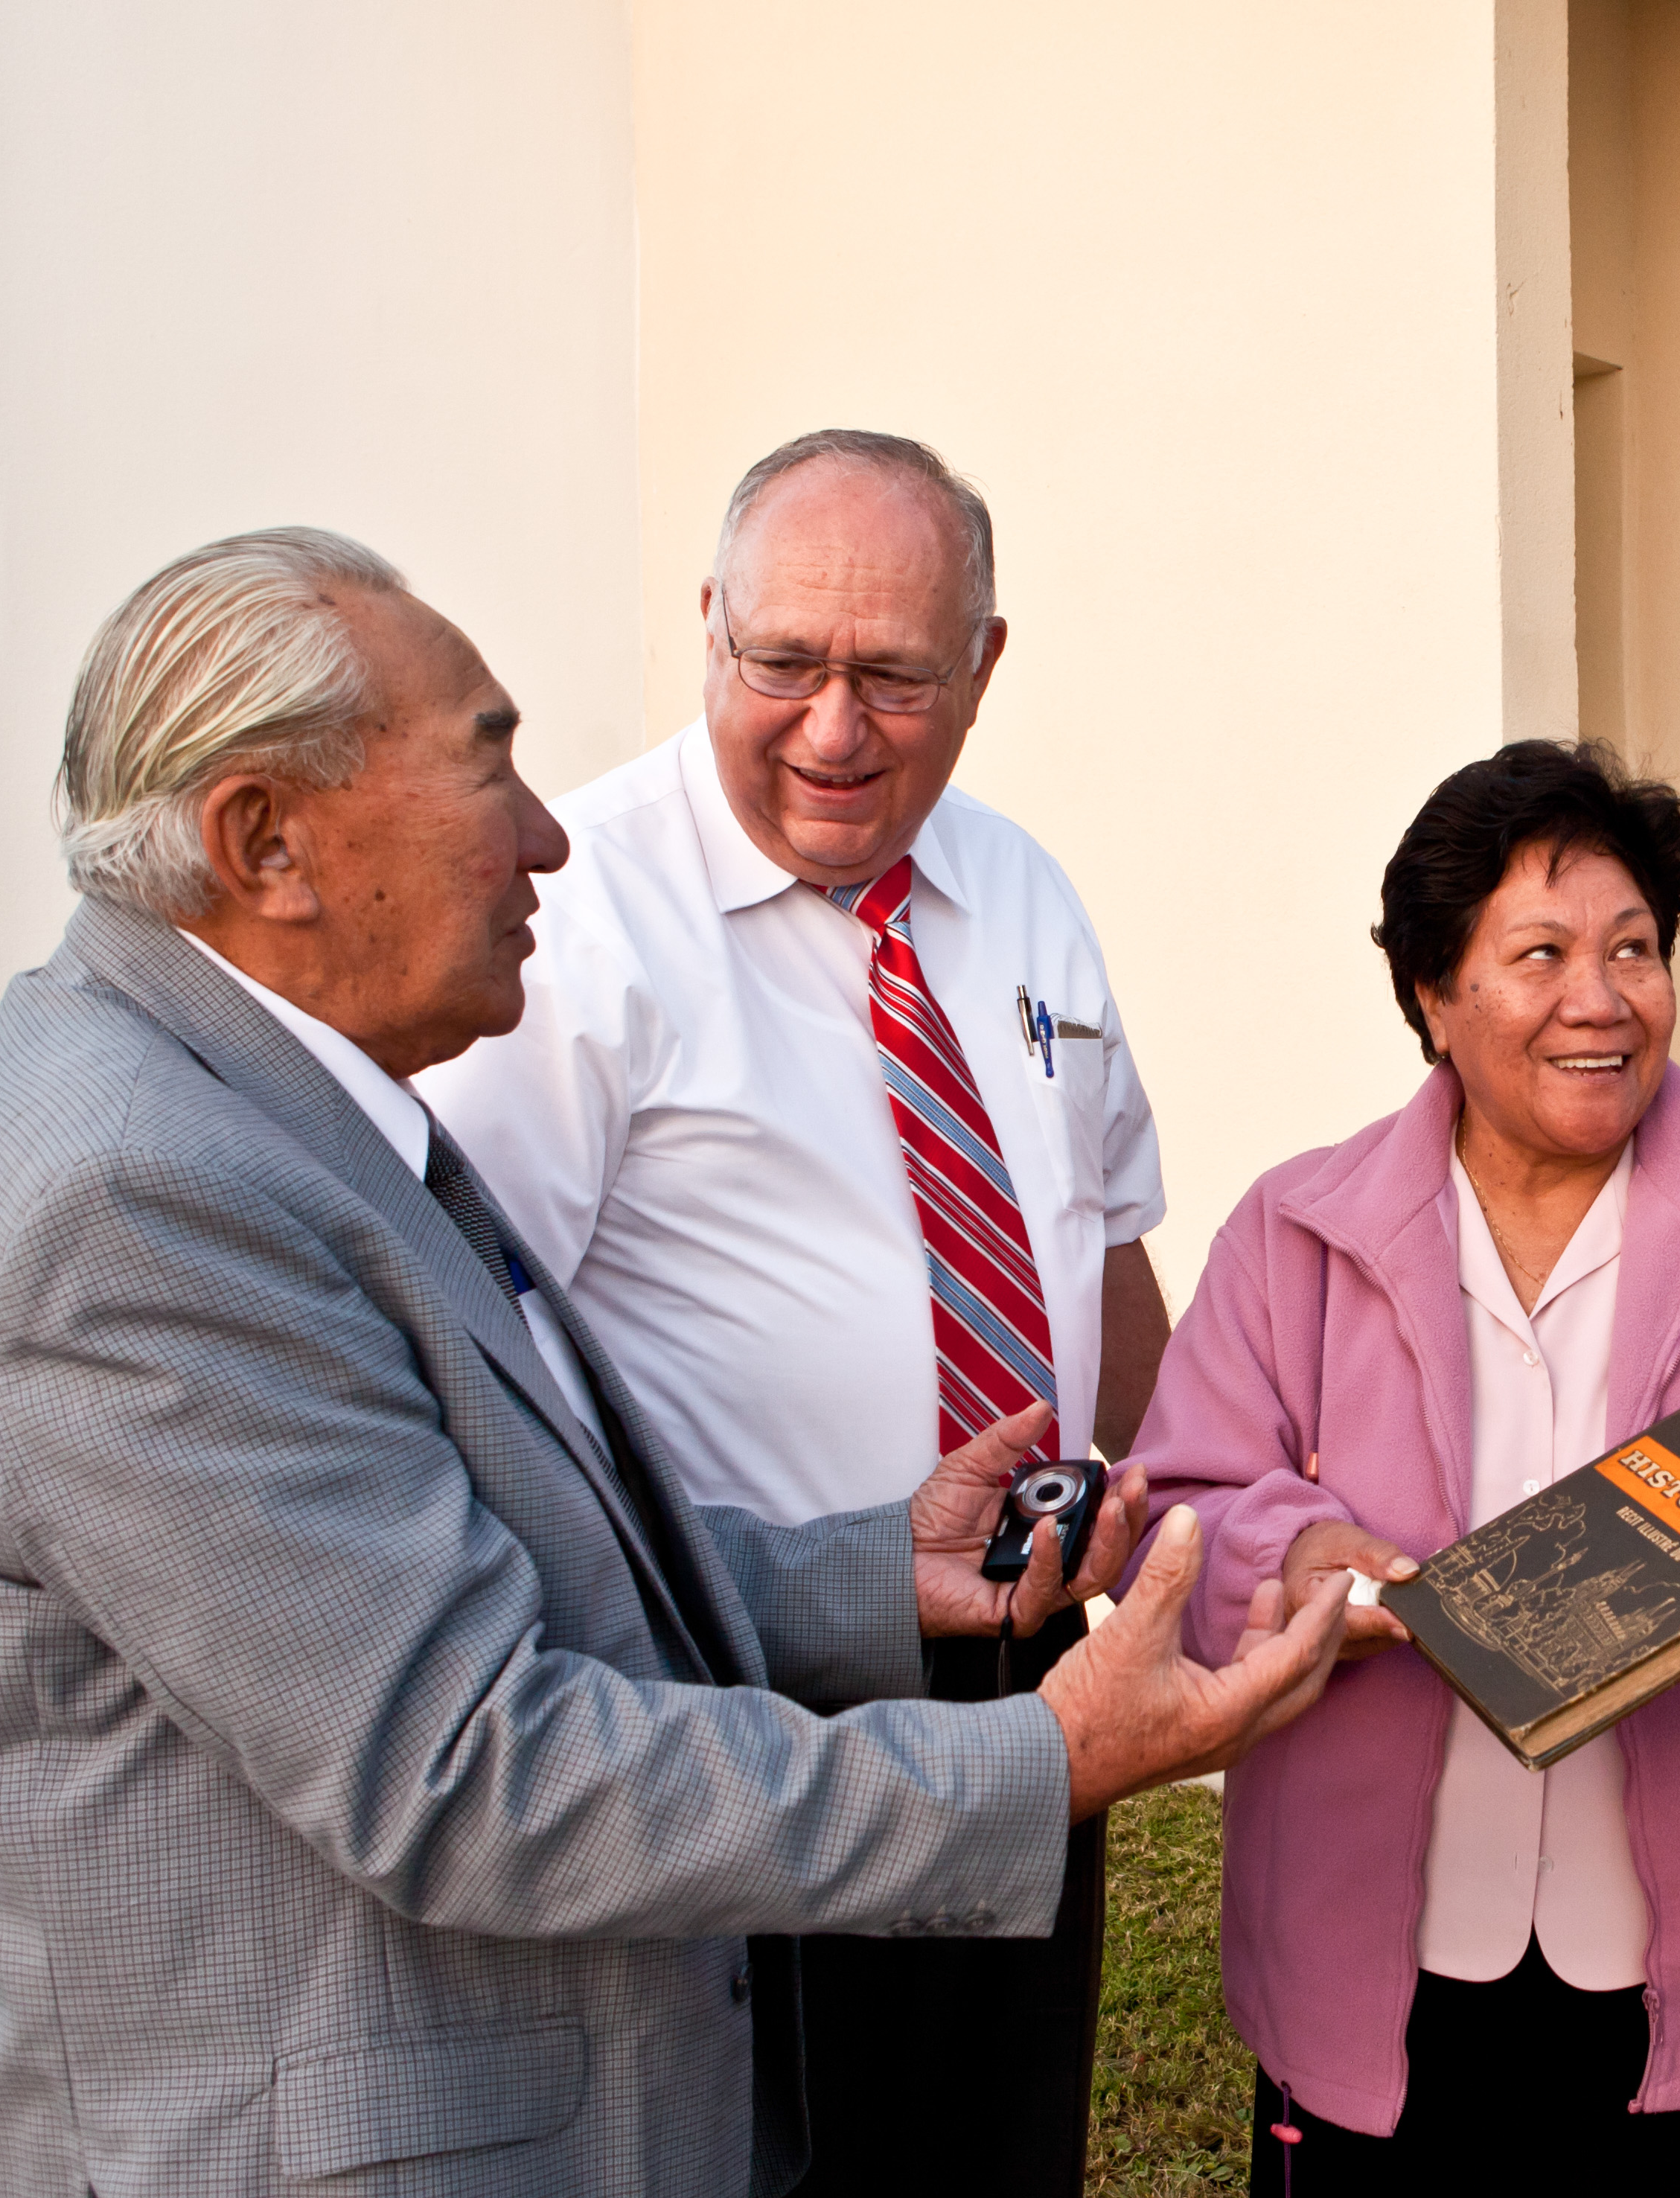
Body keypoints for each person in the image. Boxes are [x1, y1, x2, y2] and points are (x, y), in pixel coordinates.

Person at [0, 527, 1341, 2197]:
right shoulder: (137, 1197)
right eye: (488, 764)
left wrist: (861, 1573)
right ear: (268, 843)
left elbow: (476, 1550)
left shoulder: (269, 1110)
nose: (548, 837)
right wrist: (1040, 1762)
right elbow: (476, 1764)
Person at [415, 429, 1163, 2191]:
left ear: (983, 664)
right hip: (740, 1691)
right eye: (786, 665)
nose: (833, 729)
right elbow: (466, 1353)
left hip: (1026, 1669)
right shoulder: (566, 916)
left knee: (995, 2136)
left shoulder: (1023, 891)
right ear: (708, 630)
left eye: (895, 675)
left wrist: (1153, 1510)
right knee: (785, 2154)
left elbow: (1107, 1242)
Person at [1124, 741, 1680, 2195]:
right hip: (1382, 1983)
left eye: (1634, 949)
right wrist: (1292, 1553)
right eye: (1540, 953)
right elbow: (1183, 1496)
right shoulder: (1295, 1233)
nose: (1602, 999)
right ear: (1431, 993)